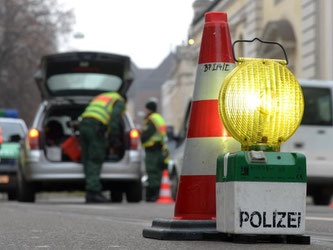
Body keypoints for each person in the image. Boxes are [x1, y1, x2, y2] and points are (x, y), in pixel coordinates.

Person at [79, 92, 126, 203]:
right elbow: (114, 118)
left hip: (84, 123)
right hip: (95, 126)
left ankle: (89, 192)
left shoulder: (101, 97)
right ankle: (94, 192)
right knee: (95, 158)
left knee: (87, 159)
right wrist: (114, 137)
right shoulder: (119, 101)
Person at [141, 100, 169, 202]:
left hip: (152, 148)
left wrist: (141, 138)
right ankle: (156, 193)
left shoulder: (151, 119)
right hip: (159, 147)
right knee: (157, 171)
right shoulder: (159, 118)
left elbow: (146, 133)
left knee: (152, 170)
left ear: (149, 109)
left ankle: (153, 194)